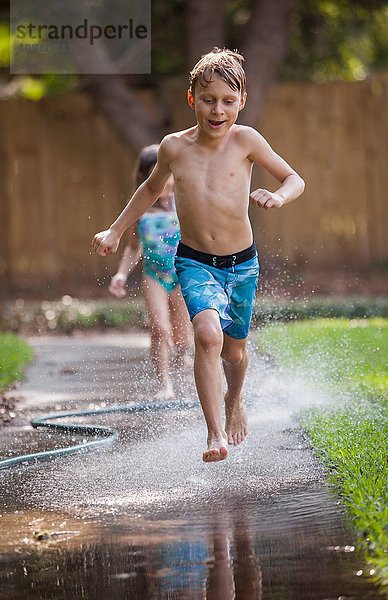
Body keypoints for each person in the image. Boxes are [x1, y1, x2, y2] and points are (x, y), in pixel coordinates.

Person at [92, 48, 305, 463]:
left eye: (228, 101)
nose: (218, 109)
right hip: (193, 260)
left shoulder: (247, 141)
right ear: (192, 100)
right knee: (207, 336)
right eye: (209, 100)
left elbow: (294, 178)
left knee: (235, 352)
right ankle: (214, 433)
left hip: (241, 263)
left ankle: (235, 399)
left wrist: (278, 196)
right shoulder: (174, 148)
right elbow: (150, 190)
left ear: (242, 102)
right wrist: (116, 230)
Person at [108, 145, 192, 400]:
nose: (164, 181)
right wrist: (121, 274)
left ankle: (182, 362)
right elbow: (134, 247)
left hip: (183, 273)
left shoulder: (184, 201)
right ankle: (164, 384)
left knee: (182, 337)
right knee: (160, 329)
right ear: (146, 178)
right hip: (154, 275)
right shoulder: (140, 209)